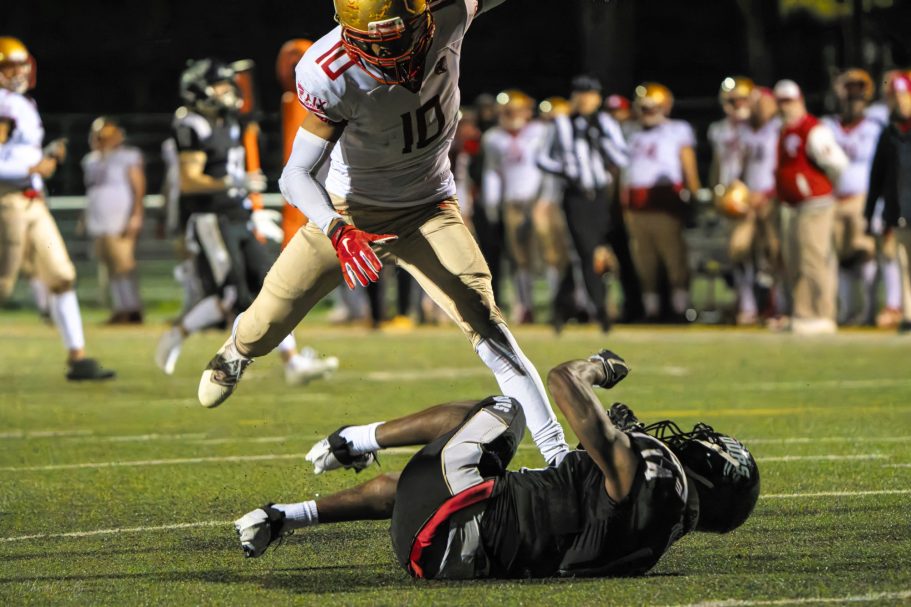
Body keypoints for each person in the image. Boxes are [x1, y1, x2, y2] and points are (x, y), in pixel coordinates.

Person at [197, 0, 571, 466]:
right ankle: (237, 350)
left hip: (429, 209)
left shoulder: (452, 12)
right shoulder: (329, 71)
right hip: (350, 213)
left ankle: (559, 456)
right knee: (264, 325)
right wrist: (336, 229)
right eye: (376, 44)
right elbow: (294, 175)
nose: (391, 54)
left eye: (400, 38)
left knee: (488, 327)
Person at [234, 349, 760, 580]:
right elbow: (579, 504)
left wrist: (599, 367)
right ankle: (284, 516)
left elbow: (561, 380)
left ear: (713, 474)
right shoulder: (652, 544)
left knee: (502, 412)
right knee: (434, 483)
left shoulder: (659, 473)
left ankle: (355, 439)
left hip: (457, 513)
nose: (690, 441)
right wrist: (604, 444)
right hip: (434, 557)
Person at [156, 58, 338, 385]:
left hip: (239, 215)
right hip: (212, 218)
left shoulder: (230, 121)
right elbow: (189, 181)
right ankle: (179, 334)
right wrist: (232, 183)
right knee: (231, 296)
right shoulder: (191, 125)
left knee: (274, 286)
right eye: (220, 85)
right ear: (200, 90)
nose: (227, 92)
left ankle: (293, 363)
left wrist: (251, 209)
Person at [0, 37, 115, 381]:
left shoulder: (22, 103)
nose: (19, 72)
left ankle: (78, 358)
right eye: (9, 66)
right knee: (3, 286)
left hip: (31, 200)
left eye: (21, 65)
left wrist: (44, 160)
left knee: (62, 276)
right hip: (7, 201)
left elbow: (19, 153)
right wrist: (32, 168)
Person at [539, 75, 628, 333]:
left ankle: (561, 308)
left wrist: (601, 141)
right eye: (581, 93)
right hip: (575, 195)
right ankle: (601, 311)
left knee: (586, 253)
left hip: (600, 196)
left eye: (591, 94)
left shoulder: (606, 123)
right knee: (588, 251)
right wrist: (565, 169)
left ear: (598, 99)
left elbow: (623, 156)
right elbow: (542, 158)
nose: (586, 99)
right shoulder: (562, 123)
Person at [482, 89, 563, 323]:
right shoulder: (493, 138)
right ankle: (526, 306)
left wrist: (546, 198)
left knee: (550, 253)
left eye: (515, 110)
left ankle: (557, 304)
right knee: (519, 257)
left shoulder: (541, 131)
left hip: (539, 202)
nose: (511, 115)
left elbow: (550, 169)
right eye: (507, 111)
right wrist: (491, 202)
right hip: (512, 202)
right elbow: (492, 172)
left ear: (527, 111)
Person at [773, 79, 848, 335]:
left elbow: (837, 163)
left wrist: (819, 188)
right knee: (795, 261)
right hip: (792, 205)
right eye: (780, 102)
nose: (784, 107)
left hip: (815, 204)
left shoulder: (813, 129)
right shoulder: (784, 130)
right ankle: (803, 313)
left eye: (789, 101)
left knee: (814, 259)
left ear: (800, 101)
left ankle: (823, 314)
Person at [624, 82, 700, 322]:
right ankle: (652, 310)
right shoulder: (630, 132)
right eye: (644, 107)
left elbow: (688, 166)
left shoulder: (677, 130)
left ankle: (680, 309)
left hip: (665, 203)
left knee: (674, 259)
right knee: (644, 263)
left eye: (652, 107)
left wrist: (694, 195)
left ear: (665, 106)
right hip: (636, 207)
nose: (647, 112)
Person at [821, 69, 882, 325]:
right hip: (835, 199)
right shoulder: (827, 126)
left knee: (865, 251)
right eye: (848, 93)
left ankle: (869, 309)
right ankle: (847, 311)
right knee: (841, 256)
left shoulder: (876, 124)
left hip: (863, 197)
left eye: (858, 94)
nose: (853, 100)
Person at [726, 86, 782, 326]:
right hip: (748, 200)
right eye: (755, 103)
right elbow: (736, 168)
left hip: (772, 199)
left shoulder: (779, 127)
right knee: (739, 250)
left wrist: (770, 194)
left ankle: (777, 306)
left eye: (763, 103)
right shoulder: (742, 131)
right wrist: (740, 195)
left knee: (774, 253)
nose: (759, 108)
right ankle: (748, 306)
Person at [81, 117, 146, 324]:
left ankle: (132, 309)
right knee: (109, 266)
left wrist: (136, 215)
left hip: (119, 218)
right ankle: (121, 308)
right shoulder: (91, 160)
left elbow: (138, 187)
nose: (101, 140)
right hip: (99, 219)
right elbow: (92, 191)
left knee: (123, 265)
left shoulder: (127, 156)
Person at [865, 72, 911, 334]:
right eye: (896, 97)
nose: (901, 102)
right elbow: (877, 176)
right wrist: (870, 211)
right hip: (898, 211)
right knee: (902, 264)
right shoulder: (888, 134)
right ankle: (908, 314)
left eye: (904, 96)